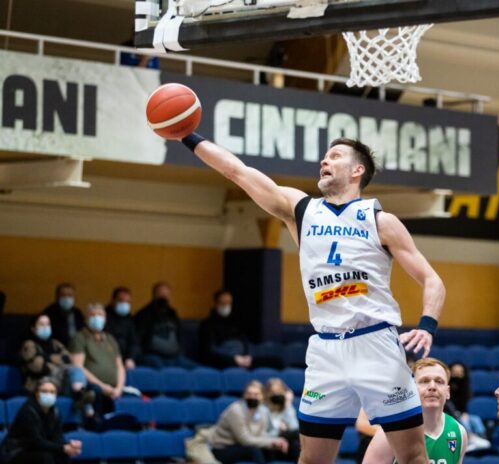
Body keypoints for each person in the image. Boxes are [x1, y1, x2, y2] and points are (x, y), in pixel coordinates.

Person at [172, 129, 445, 464]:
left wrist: (427, 325)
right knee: (311, 460)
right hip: (326, 349)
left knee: (413, 455)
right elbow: (237, 171)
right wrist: (187, 135)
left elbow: (432, 279)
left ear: (357, 170)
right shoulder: (301, 209)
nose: (324, 161)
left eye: (335, 156)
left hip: (375, 343)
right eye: (324, 157)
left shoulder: (381, 221)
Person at [364, 357, 467, 464]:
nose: (432, 386)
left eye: (439, 381)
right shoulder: (391, 431)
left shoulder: (459, 432)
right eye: (424, 381)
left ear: (448, 392)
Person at [18, 315, 95, 419]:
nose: (45, 327)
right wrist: (57, 362)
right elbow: (38, 367)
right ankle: (84, 403)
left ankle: (79, 393)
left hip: (59, 382)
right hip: (40, 383)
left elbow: (67, 359)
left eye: (47, 324)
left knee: (76, 369)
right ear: (33, 328)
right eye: (41, 324)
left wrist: (47, 358)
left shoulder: (55, 343)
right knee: (68, 373)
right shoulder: (29, 345)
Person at [0, 377, 82, 464]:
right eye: (44, 391)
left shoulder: (56, 412)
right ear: (37, 393)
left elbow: (57, 438)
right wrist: (63, 448)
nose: (48, 395)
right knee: (45, 456)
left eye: (52, 392)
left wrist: (69, 445)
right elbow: (35, 442)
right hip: (16, 452)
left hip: (38, 448)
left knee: (63, 455)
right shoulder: (27, 411)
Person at [209, 380, 289, 463]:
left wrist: (275, 442)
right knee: (255, 451)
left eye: (256, 394)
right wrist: (272, 442)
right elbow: (245, 440)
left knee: (271, 450)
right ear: (244, 395)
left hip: (243, 446)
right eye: (249, 394)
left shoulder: (263, 411)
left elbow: (262, 435)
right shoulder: (236, 411)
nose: (252, 397)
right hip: (224, 448)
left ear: (262, 396)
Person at [70, 303, 126, 415]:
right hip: (93, 387)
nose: (97, 318)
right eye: (93, 315)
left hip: (114, 389)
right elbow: (78, 367)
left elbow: (120, 366)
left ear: (105, 319)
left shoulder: (110, 339)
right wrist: (102, 386)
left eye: (100, 315)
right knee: (95, 392)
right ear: (86, 319)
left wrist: (119, 388)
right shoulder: (79, 338)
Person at [135, 282, 198, 369]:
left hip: (175, 357)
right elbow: (138, 339)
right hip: (153, 356)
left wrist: (180, 352)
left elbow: (180, 336)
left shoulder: (172, 314)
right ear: (154, 295)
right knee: (160, 368)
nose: (164, 297)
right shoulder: (143, 315)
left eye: (166, 294)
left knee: (196, 369)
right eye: (161, 294)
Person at [198, 289, 253, 369]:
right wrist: (233, 359)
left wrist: (246, 356)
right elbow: (209, 350)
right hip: (223, 359)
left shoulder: (235, 322)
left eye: (229, 303)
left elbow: (244, 341)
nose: (226, 306)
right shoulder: (207, 324)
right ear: (216, 303)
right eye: (223, 303)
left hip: (242, 357)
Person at [445, 362, 489, 451]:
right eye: (455, 372)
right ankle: (469, 439)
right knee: (462, 420)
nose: (457, 375)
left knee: (475, 419)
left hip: (460, 413)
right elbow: (448, 405)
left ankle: (482, 438)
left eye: (459, 372)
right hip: (449, 414)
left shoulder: (465, 387)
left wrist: (465, 413)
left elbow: (464, 403)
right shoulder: (446, 386)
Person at [264, 378, 300, 462]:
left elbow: (294, 428)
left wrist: (287, 404)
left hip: (286, 446)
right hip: (270, 445)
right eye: (273, 392)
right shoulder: (264, 409)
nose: (276, 394)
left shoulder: (287, 407)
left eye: (279, 392)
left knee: (296, 444)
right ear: (268, 394)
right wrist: (280, 433)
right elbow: (263, 434)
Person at [104, 286, 140, 369]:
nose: (124, 304)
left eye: (127, 302)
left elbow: (135, 342)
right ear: (113, 300)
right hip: (108, 357)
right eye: (121, 300)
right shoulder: (104, 316)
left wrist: (130, 358)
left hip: (126, 359)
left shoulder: (130, 319)